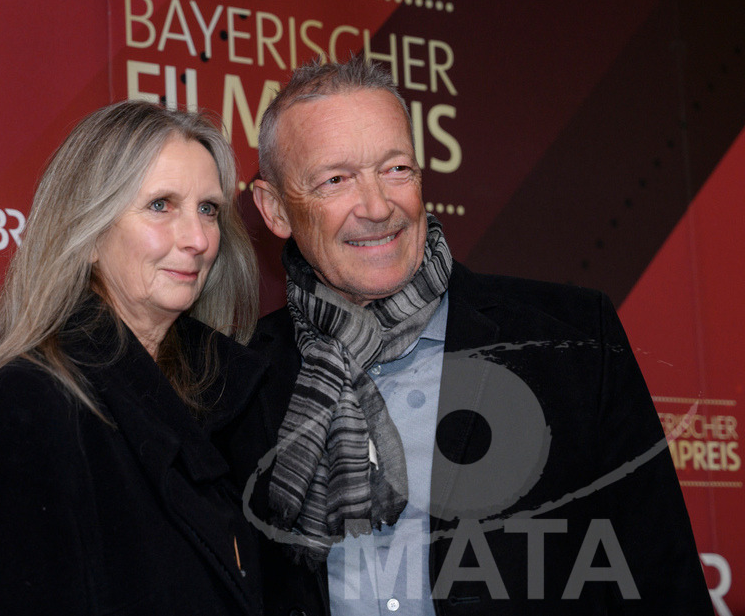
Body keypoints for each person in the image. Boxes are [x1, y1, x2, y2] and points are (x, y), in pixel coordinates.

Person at [215, 57, 712, 615]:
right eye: (336, 180)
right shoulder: (239, 379)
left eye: (396, 169)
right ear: (275, 209)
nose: (377, 206)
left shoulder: (573, 343)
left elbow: (664, 582)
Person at [0, 101, 265, 615]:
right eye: (161, 205)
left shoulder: (226, 403)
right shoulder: (23, 411)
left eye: (208, 209)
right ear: (86, 235)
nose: (198, 239)